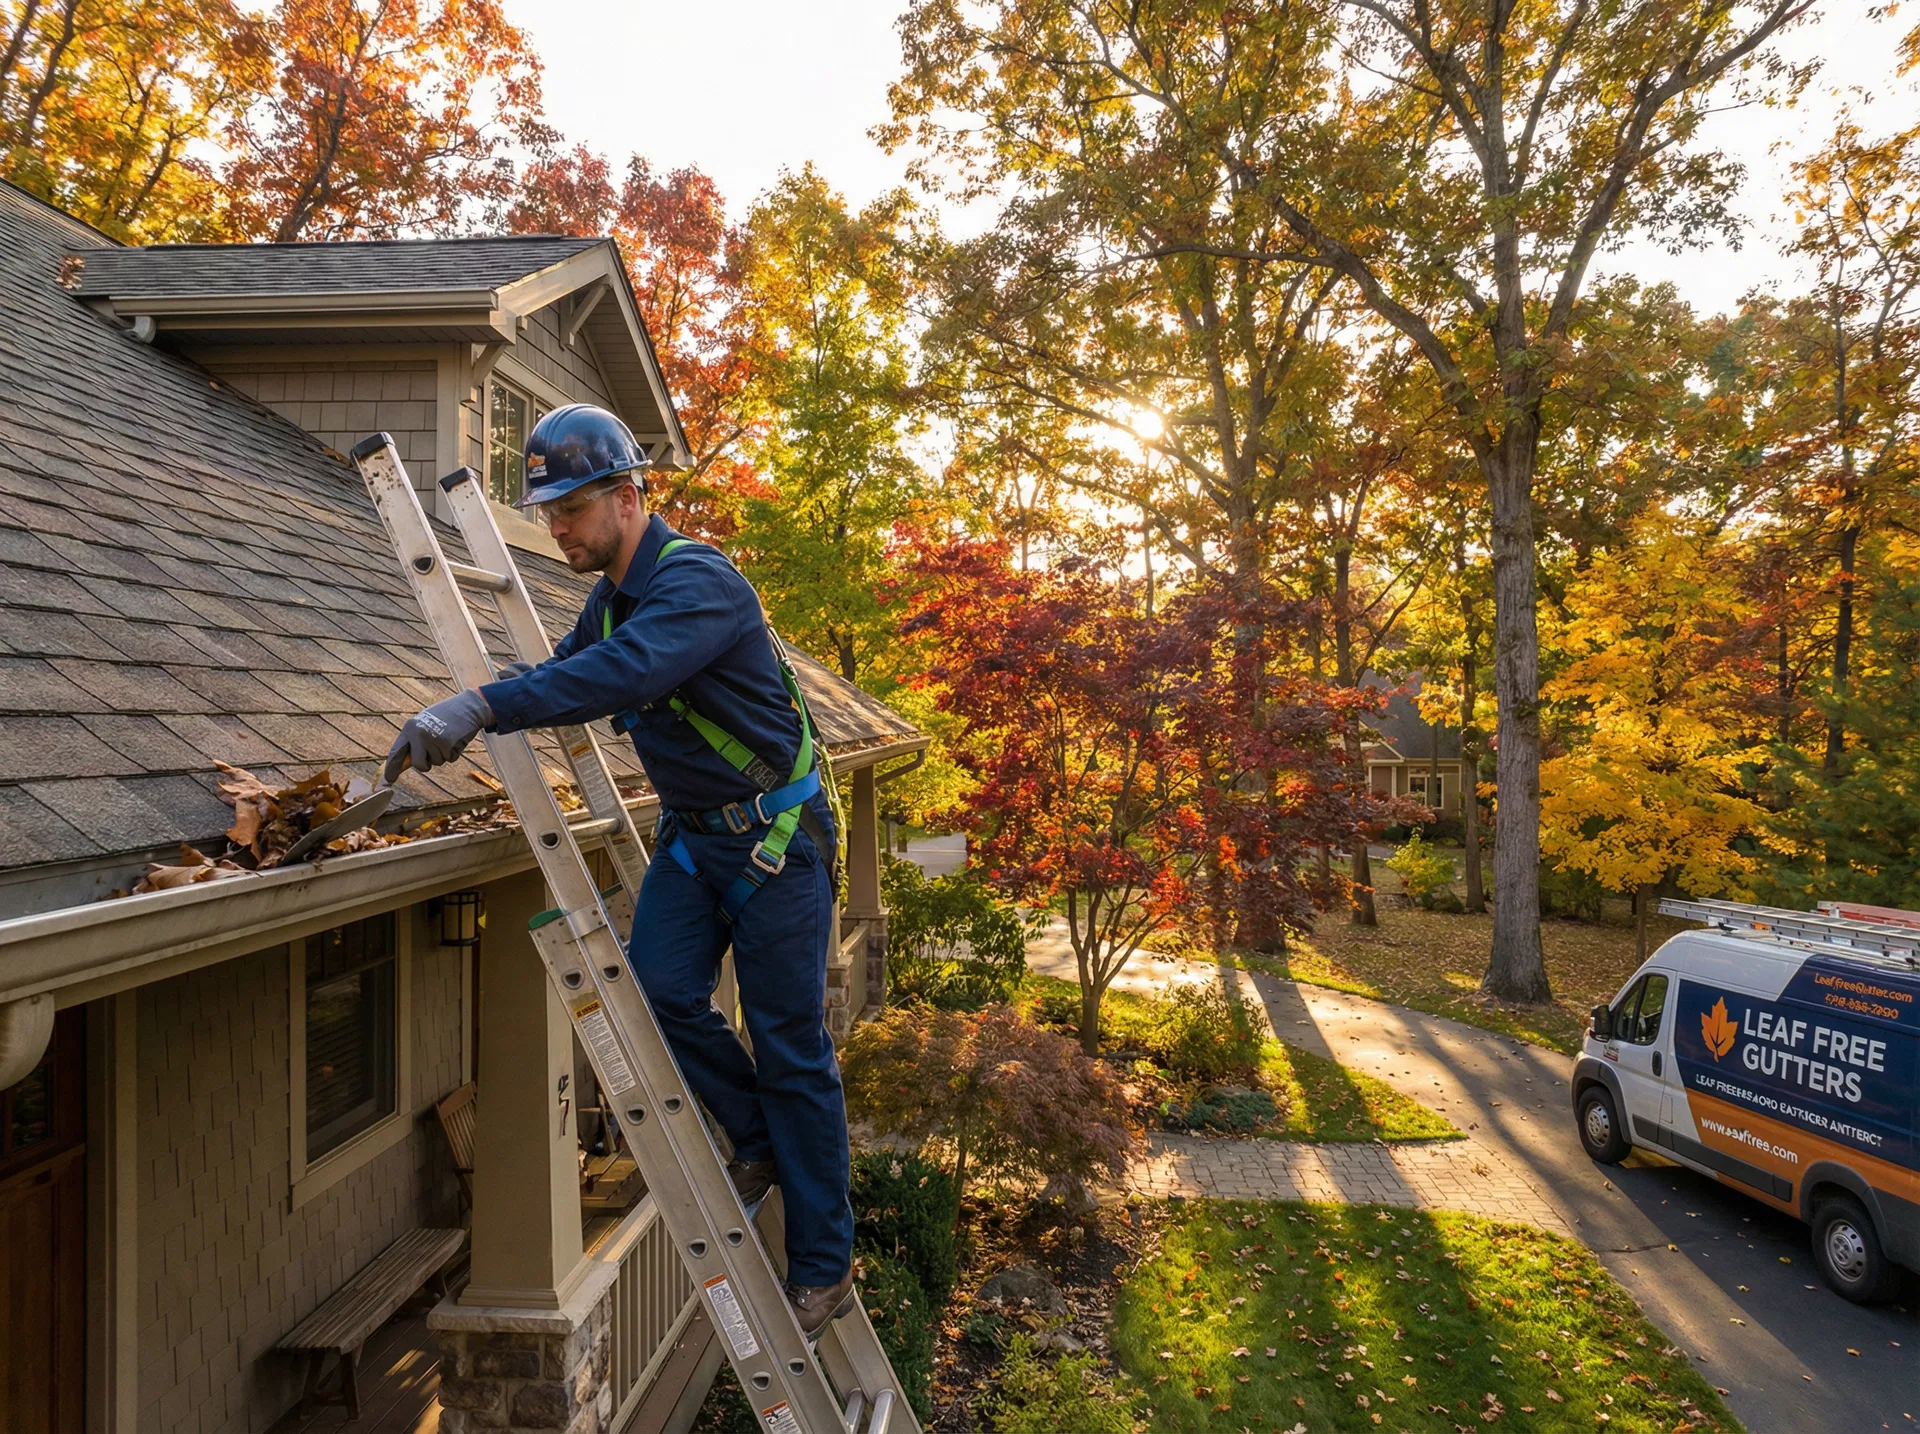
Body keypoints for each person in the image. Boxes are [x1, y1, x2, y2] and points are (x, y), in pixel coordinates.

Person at [385, 404, 854, 1334]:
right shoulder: (610, 600)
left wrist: (478, 704)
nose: (555, 526)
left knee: (791, 1045)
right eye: (549, 510)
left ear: (628, 497)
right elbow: (567, 676)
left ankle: (823, 1265)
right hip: (695, 839)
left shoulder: (698, 586)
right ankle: (755, 1138)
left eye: (570, 507)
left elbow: (622, 677)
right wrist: (477, 718)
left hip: (776, 841)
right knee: (660, 993)